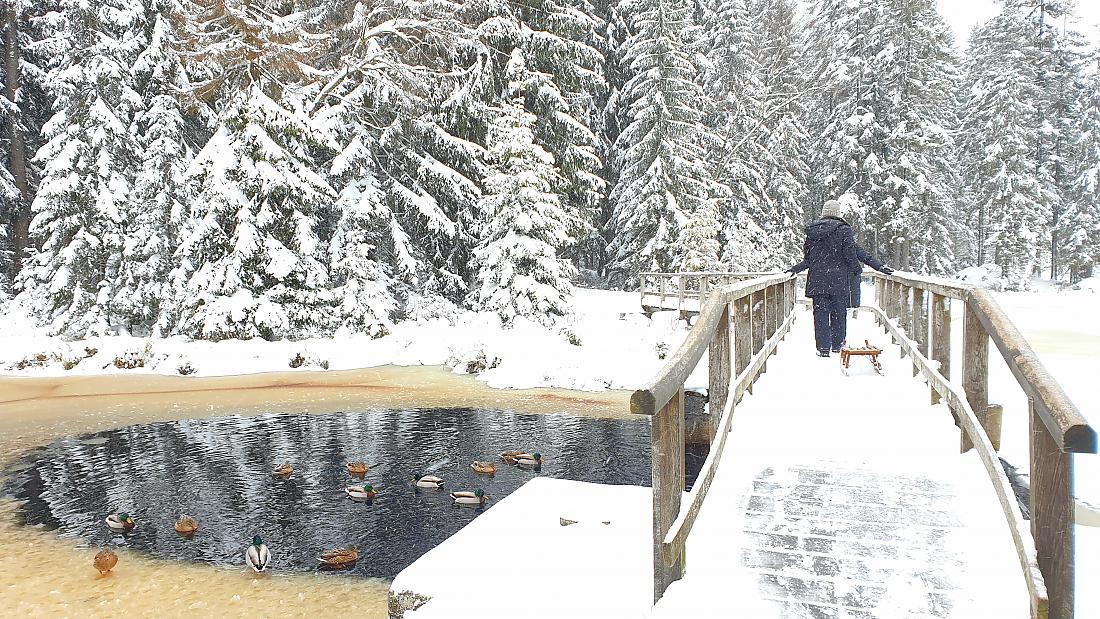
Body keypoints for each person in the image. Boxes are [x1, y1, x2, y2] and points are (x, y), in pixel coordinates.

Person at [787, 200, 892, 357]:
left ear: (823, 212)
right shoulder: (843, 230)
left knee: (820, 315)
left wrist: (794, 269)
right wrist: (863, 269)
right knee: (838, 313)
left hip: (818, 280)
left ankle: (823, 348)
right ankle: (837, 345)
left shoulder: (813, 233)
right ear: (838, 213)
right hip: (838, 280)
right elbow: (852, 253)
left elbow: (809, 259)